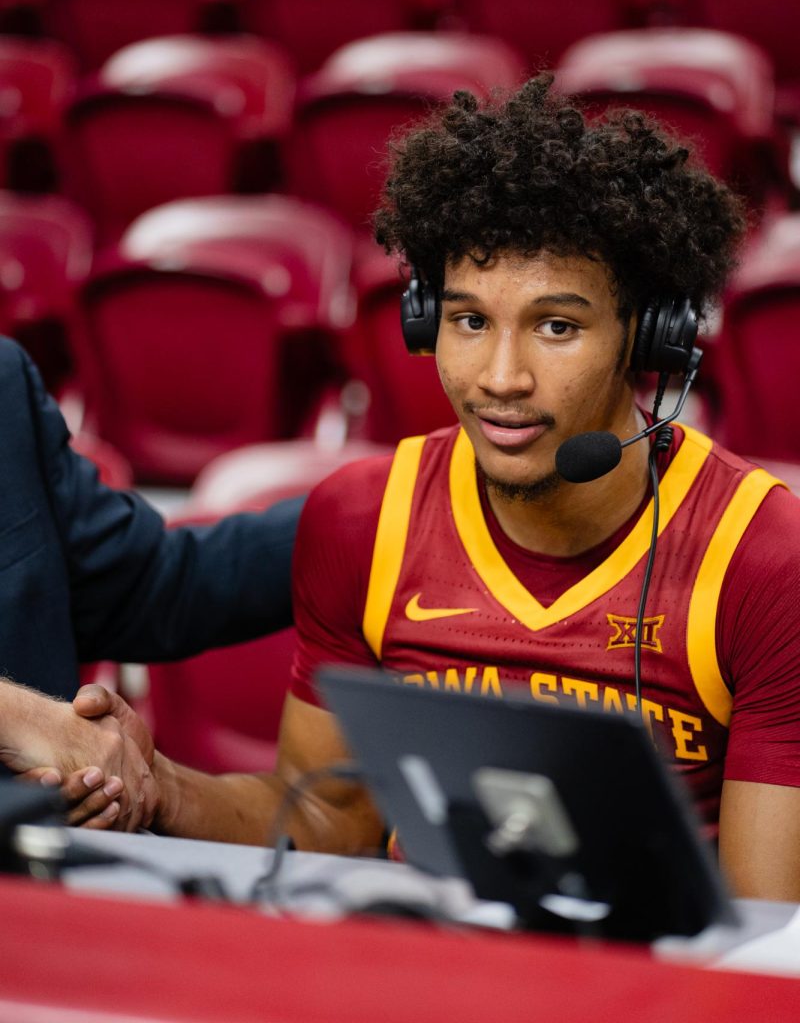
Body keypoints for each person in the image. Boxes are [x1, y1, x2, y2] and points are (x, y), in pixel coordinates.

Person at [64, 76, 800, 899]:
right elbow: (329, 822)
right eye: (469, 320)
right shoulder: (360, 520)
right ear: (425, 323)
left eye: (557, 326)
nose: (502, 378)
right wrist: (160, 784)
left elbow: (764, 926)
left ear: (648, 337)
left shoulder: (765, 560)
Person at [0, 335, 301, 828]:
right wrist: (18, 716)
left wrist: (373, 511)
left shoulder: (3, 379)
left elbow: (146, 584)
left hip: (50, 868)